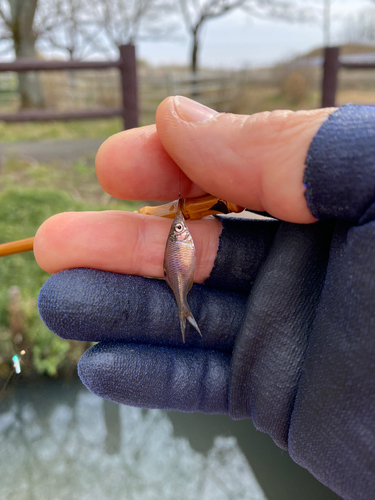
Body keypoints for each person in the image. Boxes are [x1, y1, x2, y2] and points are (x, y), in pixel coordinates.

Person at [35, 96, 375, 500]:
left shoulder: (182, 237)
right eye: (179, 231)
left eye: (180, 231)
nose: (180, 231)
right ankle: (185, 311)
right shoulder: (180, 239)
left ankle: (185, 312)